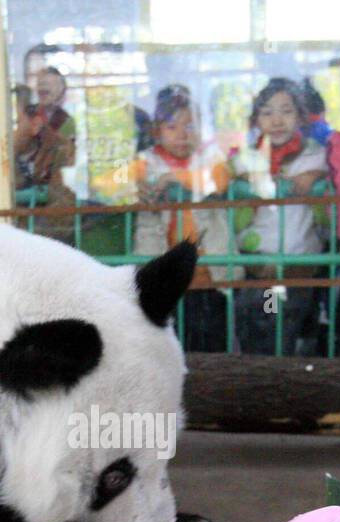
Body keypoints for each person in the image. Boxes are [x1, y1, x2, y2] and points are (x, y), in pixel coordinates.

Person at [93, 86, 237, 351]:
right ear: (157, 131)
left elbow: (220, 181)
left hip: (209, 276)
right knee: (166, 346)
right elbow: (104, 184)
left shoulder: (210, 157)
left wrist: (174, 178)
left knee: (212, 345)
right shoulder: (145, 162)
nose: (182, 135)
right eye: (172, 127)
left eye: (190, 126)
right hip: (163, 275)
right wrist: (132, 188)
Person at [230, 78, 329, 356]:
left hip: (297, 263)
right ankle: (259, 377)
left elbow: (331, 178)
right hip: (258, 264)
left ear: (299, 116)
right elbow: (225, 182)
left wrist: (316, 177)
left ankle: (278, 378)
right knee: (255, 321)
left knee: (285, 324)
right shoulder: (245, 159)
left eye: (286, 111)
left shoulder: (314, 156)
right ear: (256, 120)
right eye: (267, 112)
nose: (277, 120)